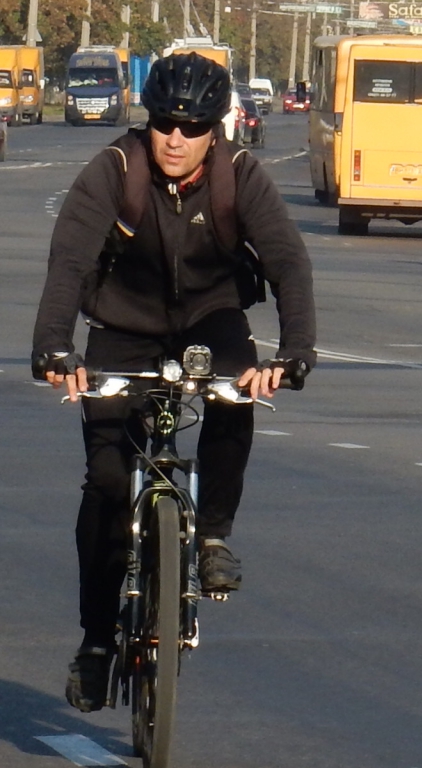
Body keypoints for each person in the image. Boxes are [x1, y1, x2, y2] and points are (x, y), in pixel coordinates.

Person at [30, 53, 317, 713]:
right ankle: (96, 642)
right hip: (122, 326)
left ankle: (212, 535)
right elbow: (69, 261)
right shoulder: (115, 169)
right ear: (148, 120)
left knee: (238, 391)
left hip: (210, 321)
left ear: (216, 129)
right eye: (165, 124)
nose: (177, 139)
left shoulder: (240, 176)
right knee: (106, 483)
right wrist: (54, 349)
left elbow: (287, 262)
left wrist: (295, 352)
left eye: (193, 128)